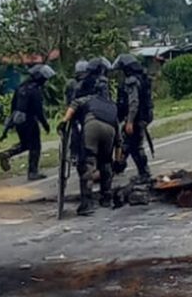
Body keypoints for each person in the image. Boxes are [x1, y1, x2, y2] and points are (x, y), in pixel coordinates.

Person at [60, 74, 118, 216]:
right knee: (106, 163)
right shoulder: (112, 105)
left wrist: (64, 121)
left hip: (92, 126)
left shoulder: (89, 98)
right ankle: (107, 198)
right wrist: (118, 157)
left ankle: (87, 203)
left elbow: (74, 105)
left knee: (87, 163)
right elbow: (119, 135)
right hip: (110, 130)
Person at [0, 64, 56, 180]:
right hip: (29, 120)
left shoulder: (20, 88)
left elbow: (13, 108)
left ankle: (8, 153)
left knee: (25, 144)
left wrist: (8, 127)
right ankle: (32, 172)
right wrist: (45, 124)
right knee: (35, 146)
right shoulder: (35, 91)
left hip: (18, 121)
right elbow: (38, 111)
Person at [113, 53, 154, 182]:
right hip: (143, 116)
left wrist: (130, 121)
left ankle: (144, 173)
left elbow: (133, 102)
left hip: (136, 118)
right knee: (128, 143)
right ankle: (119, 166)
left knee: (135, 145)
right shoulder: (142, 78)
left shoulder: (132, 81)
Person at [65, 60, 90, 160]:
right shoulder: (88, 82)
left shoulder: (71, 83)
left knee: (75, 131)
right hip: (83, 111)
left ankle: (74, 153)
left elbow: (67, 99)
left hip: (74, 110)